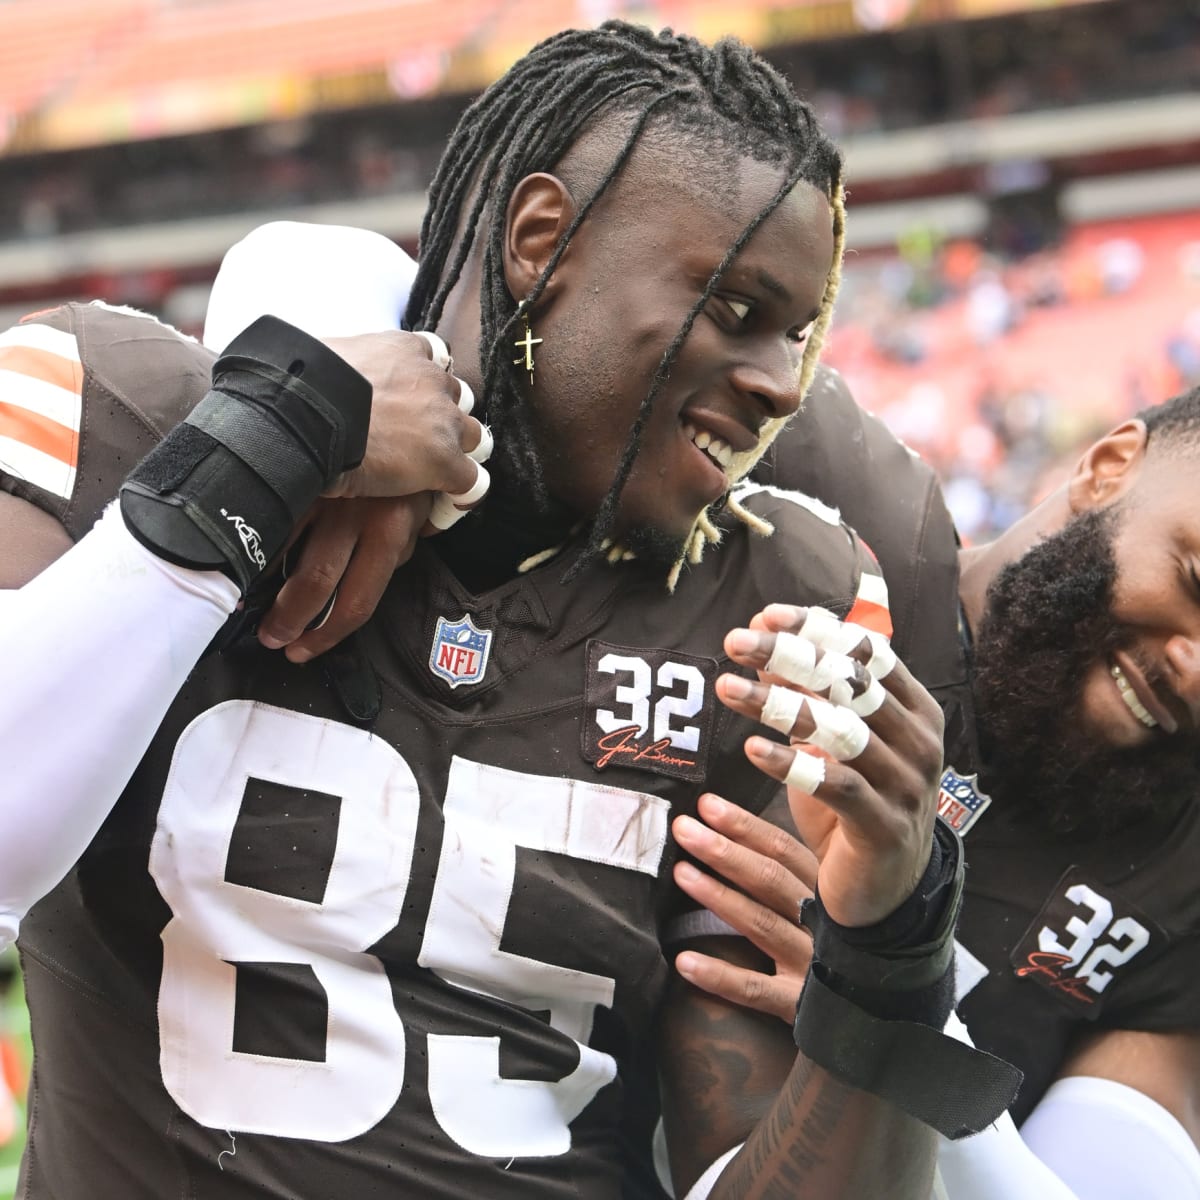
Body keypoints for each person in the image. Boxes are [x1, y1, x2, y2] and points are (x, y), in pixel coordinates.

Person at [0, 23, 1014, 1200]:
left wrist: (888, 953)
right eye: (737, 306)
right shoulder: (114, 404)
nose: (785, 382)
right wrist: (265, 448)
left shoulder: (781, 600)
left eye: (798, 333)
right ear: (543, 239)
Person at [672, 395, 1200, 1199]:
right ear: (1108, 467)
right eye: (1196, 582)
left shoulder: (1180, 867)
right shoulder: (834, 492)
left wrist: (891, 1002)